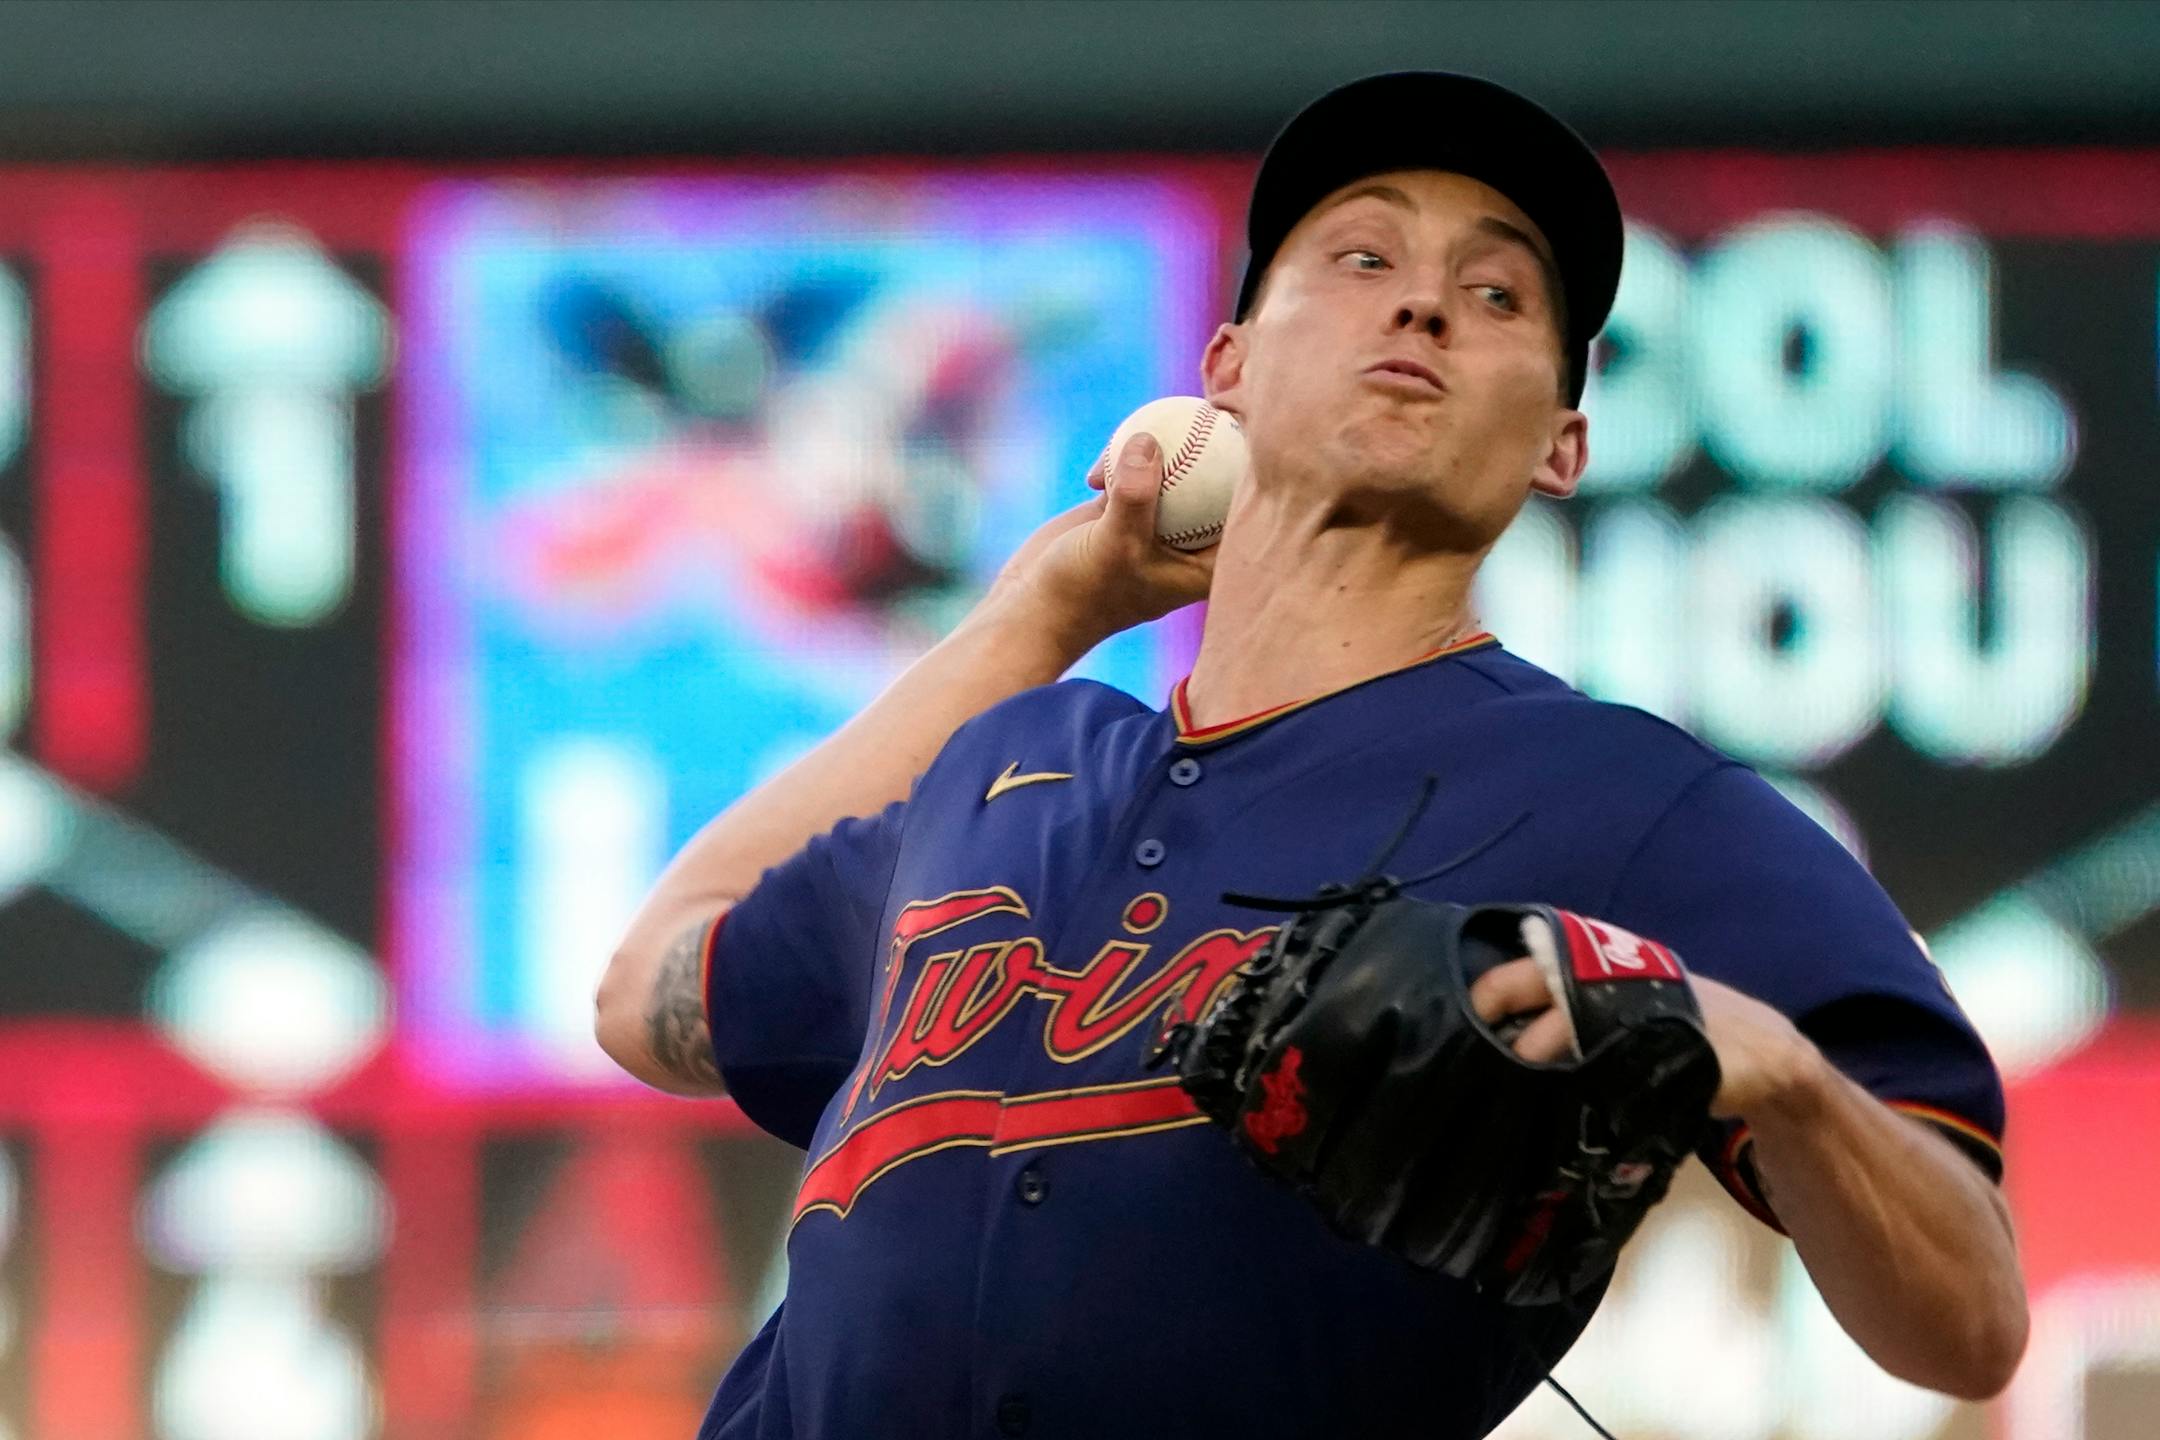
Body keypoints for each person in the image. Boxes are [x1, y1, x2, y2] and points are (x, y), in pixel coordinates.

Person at [594, 71, 2028, 1439]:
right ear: (1224, 369)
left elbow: (1966, 1319)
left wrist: (1771, 1067)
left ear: (1562, 445)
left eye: (1497, 293)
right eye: (1356, 259)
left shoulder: (1638, 806)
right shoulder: (1012, 768)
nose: (1422, 299)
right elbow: (644, 992)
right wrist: (1048, 609)